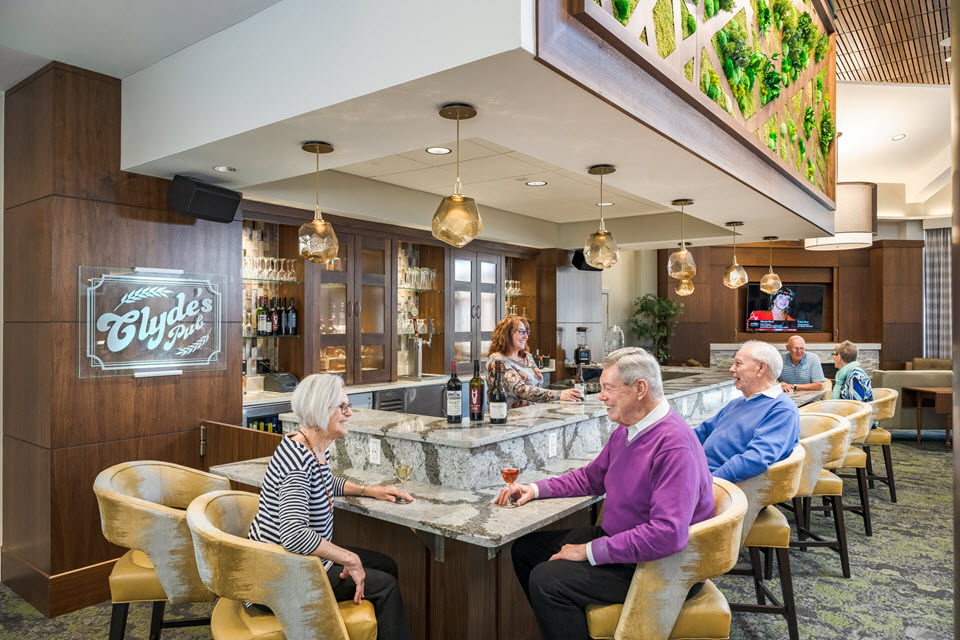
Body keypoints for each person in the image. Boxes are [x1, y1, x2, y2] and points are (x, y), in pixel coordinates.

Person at [495, 347, 714, 640]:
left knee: (547, 581)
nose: (601, 397)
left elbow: (667, 535)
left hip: (660, 567)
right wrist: (535, 489)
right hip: (625, 544)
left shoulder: (674, 445)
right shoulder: (628, 429)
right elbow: (592, 478)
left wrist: (588, 551)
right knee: (525, 550)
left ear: (639, 389)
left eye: (608, 388)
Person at [247, 374, 414, 640]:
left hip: (293, 562)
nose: (349, 413)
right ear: (319, 410)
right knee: (386, 586)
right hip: (280, 576)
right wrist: (349, 558)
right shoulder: (299, 464)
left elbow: (324, 483)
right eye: (342, 407)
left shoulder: (308, 445)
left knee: (386, 565)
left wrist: (370, 490)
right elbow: (294, 535)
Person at [694, 341, 799, 483]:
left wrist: (710, 483)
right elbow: (701, 432)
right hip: (695, 471)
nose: (731, 369)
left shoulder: (782, 410)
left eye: (738, 364)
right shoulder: (738, 402)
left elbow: (756, 458)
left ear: (761, 368)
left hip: (714, 484)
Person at [486, 315, 582, 407]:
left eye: (527, 332)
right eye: (521, 332)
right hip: (506, 418)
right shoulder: (497, 361)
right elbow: (520, 390)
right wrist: (558, 395)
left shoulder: (527, 356)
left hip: (531, 416)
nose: (526, 337)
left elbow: (537, 386)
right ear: (506, 334)